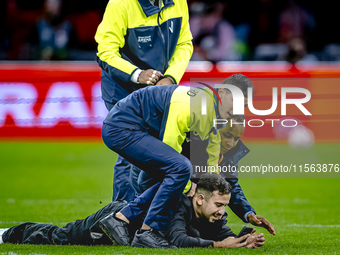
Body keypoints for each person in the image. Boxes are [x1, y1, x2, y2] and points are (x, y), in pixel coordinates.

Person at [100, 74, 253, 248]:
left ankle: (122, 219)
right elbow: (170, 150)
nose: (238, 110)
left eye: (244, 106)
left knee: (163, 176)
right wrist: (189, 186)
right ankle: (146, 232)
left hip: (137, 131)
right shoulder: (192, 105)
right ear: (223, 92)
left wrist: (210, 189)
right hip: (122, 127)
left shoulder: (212, 112)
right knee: (180, 168)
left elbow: (211, 164)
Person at [0, 173, 265, 249]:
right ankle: (8, 233)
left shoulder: (213, 213)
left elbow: (224, 234)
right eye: (218, 205)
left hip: (126, 232)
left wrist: (244, 240)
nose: (222, 211)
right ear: (198, 199)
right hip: (112, 220)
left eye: (224, 205)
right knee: (61, 237)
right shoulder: (178, 205)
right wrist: (218, 245)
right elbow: (178, 239)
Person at [94, 0, 193, 203]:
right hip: (123, 89)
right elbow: (105, 52)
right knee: (132, 151)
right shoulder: (120, 4)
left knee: (149, 150)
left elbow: (184, 44)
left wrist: (170, 78)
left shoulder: (178, 2)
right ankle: (122, 214)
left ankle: (133, 215)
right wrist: (136, 74)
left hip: (160, 88)